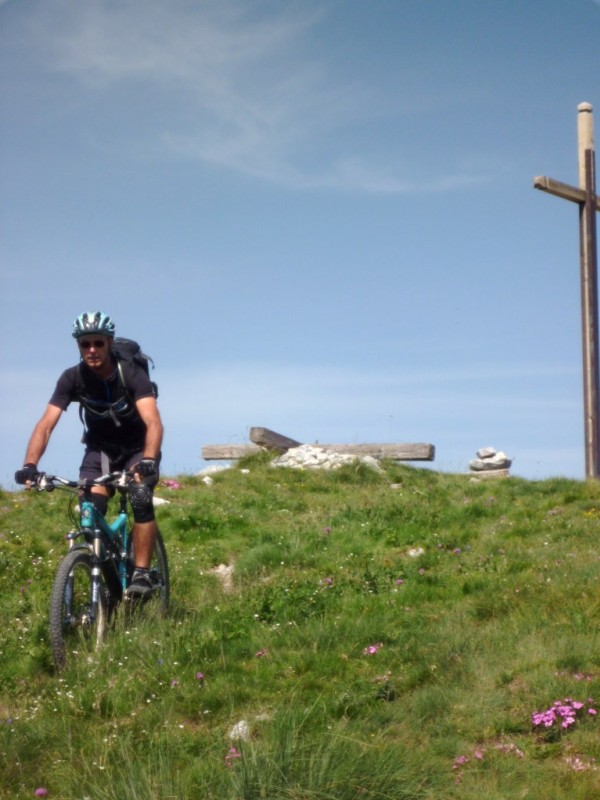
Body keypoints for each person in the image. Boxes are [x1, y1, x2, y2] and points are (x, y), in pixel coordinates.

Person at [15, 311, 164, 597]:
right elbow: (46, 424)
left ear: (109, 342)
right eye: (85, 344)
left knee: (140, 496)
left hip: (138, 448)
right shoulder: (72, 378)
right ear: (78, 346)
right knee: (88, 512)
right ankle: (107, 579)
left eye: (98, 343)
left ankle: (143, 574)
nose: (92, 350)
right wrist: (30, 465)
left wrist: (147, 459)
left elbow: (153, 421)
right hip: (100, 452)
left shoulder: (130, 373)